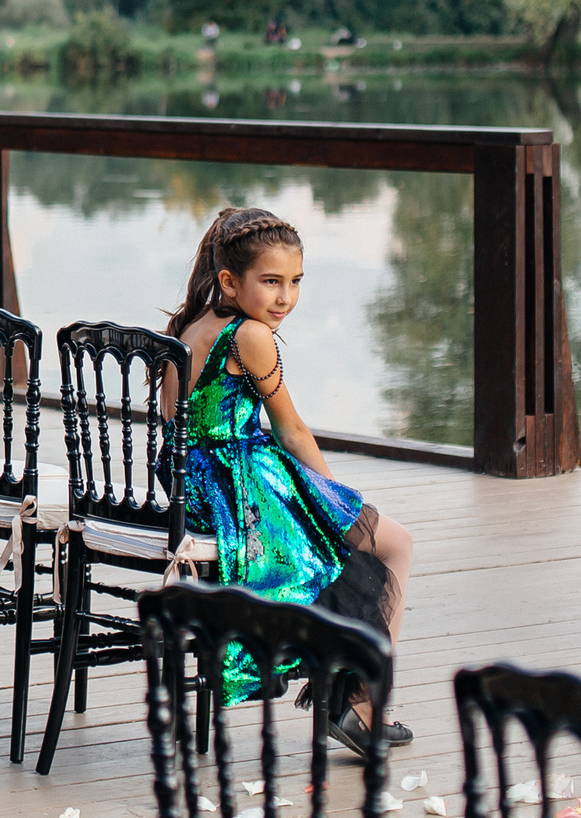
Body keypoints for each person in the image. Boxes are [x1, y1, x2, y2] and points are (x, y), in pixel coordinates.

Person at [165, 205, 414, 751]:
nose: (285, 298)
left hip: (193, 484)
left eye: (295, 282)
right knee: (394, 544)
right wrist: (335, 498)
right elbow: (293, 431)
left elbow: (175, 425)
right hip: (239, 485)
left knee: (357, 552)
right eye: (271, 282)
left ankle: (345, 694)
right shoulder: (249, 336)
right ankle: (361, 705)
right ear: (230, 282)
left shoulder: (189, 325)